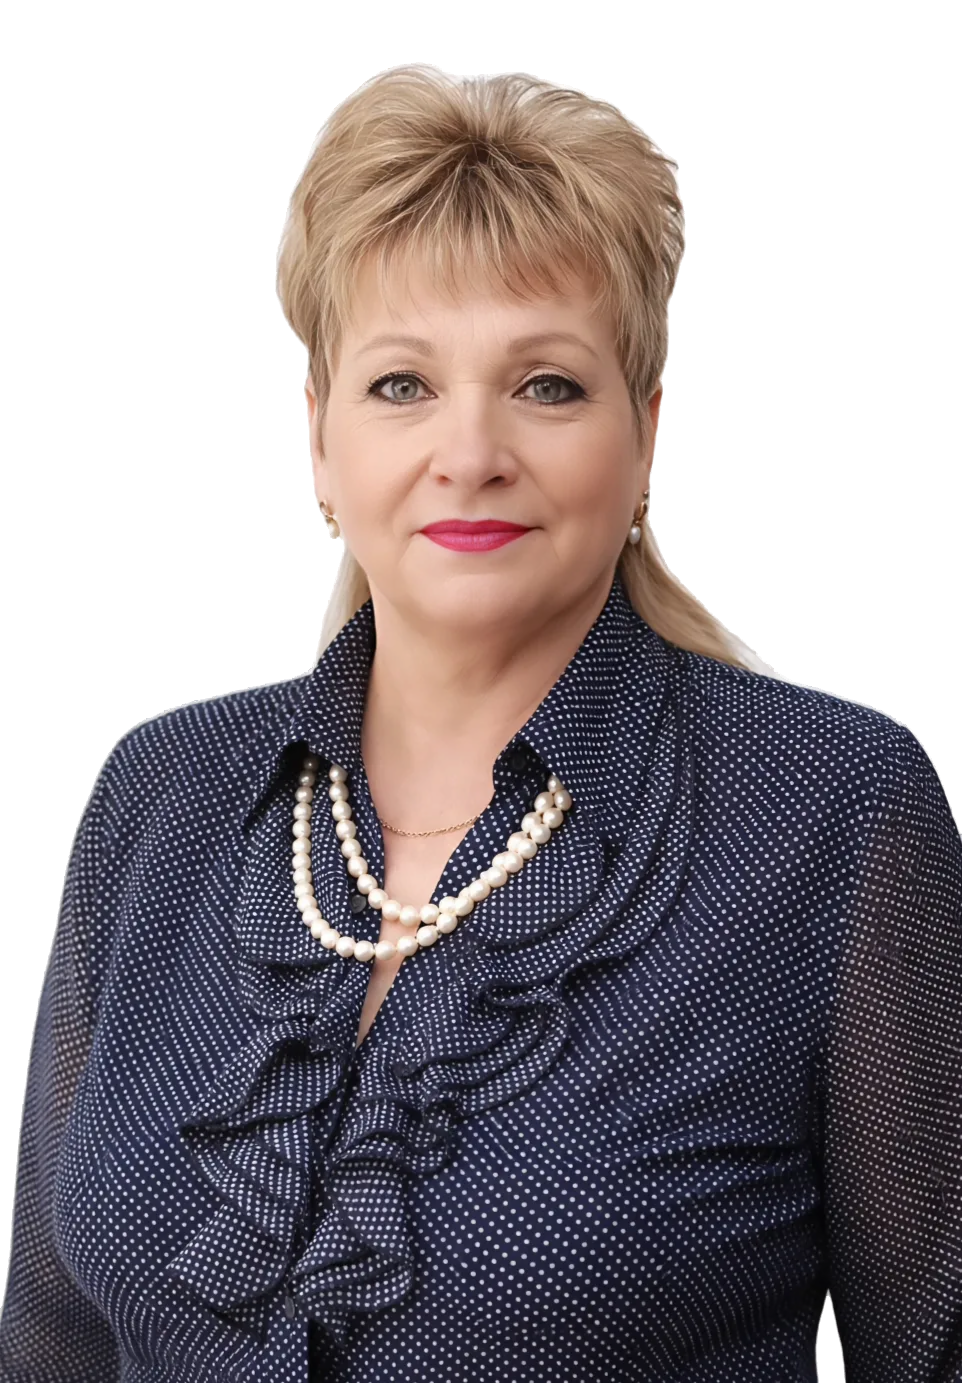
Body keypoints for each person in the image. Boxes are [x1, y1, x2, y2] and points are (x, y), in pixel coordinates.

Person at [0, 62, 959, 1383]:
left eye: (546, 385)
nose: (469, 452)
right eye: (401, 384)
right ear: (320, 442)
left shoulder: (830, 814)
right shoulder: (159, 798)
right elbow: (50, 1344)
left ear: (644, 437)